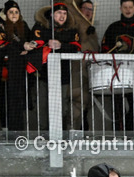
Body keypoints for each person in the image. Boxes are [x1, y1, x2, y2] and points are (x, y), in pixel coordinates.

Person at [30, 2, 81, 130]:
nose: (62, 16)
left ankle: (60, 137)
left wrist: (60, 46)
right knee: (42, 106)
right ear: (52, 14)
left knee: (61, 107)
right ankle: (44, 137)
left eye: (64, 13)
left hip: (63, 77)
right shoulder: (40, 27)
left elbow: (76, 47)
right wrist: (47, 43)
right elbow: (33, 44)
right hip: (42, 76)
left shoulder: (71, 30)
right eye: (59, 13)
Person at [101, 0, 134, 130]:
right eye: (125, 7)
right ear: (120, 8)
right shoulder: (113, 28)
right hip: (115, 76)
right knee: (116, 108)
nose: (128, 10)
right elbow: (104, 49)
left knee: (132, 108)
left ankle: (130, 138)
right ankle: (118, 138)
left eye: (130, 7)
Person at [0, 1, 33, 134]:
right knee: (5, 102)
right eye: (11, 12)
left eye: (16, 12)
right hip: (5, 74)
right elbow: (2, 46)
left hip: (21, 72)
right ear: (6, 14)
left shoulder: (24, 26)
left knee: (19, 103)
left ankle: (19, 133)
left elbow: (32, 42)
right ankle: (5, 131)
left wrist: (28, 47)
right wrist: (21, 48)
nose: (14, 14)